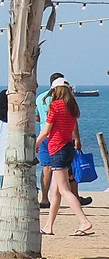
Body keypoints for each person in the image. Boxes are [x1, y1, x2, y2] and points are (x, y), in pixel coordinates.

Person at [38, 76, 92, 236]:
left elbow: (47, 130)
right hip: (68, 147)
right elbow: (73, 127)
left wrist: (36, 143)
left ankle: (84, 221)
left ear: (55, 90)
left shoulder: (55, 106)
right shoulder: (72, 107)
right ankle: (48, 226)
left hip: (57, 148)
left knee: (63, 189)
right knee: (55, 190)